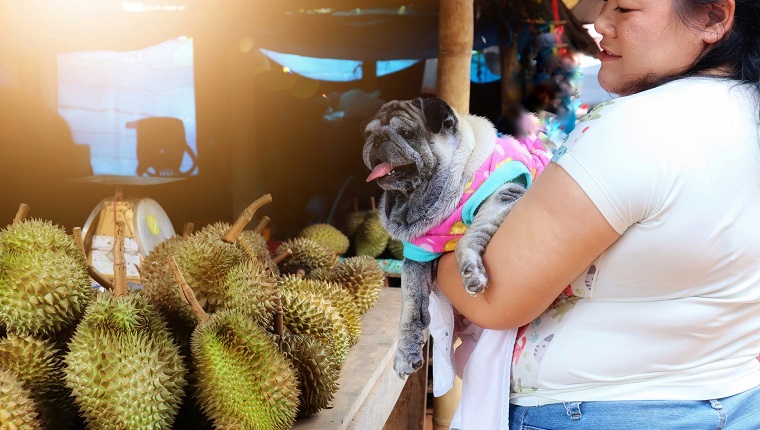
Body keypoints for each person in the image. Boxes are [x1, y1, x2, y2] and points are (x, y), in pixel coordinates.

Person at [434, 0, 760, 428]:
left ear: (713, 18)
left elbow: (498, 297)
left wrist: (434, 259)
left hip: (600, 411)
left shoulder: (636, 128)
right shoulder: (746, 110)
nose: (601, 24)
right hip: (735, 401)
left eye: (625, 8)